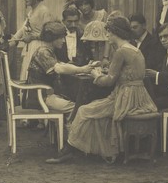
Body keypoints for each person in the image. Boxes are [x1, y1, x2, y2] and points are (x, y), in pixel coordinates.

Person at [46, 16, 158, 164]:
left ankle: (70, 150)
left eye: (109, 33)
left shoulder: (121, 52)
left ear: (115, 33)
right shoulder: (133, 49)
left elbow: (108, 81)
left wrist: (96, 75)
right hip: (139, 96)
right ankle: (80, 149)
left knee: (84, 110)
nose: (108, 36)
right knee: (95, 108)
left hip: (126, 98)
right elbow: (125, 74)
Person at [25, 20, 96, 115]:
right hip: (41, 97)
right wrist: (82, 69)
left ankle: (67, 128)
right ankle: (71, 129)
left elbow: (62, 65)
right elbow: (59, 68)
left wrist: (83, 67)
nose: (63, 41)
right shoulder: (43, 52)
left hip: (45, 95)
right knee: (80, 108)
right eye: (61, 38)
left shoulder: (47, 51)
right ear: (52, 38)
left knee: (77, 104)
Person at [10, 0, 55, 81]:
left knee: (35, 76)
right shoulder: (31, 12)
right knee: (26, 74)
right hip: (30, 47)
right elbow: (22, 29)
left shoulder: (44, 10)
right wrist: (11, 41)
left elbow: (49, 33)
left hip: (40, 48)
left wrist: (32, 37)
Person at [65, 0, 109, 65]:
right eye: (81, 5)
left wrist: (106, 57)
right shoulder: (78, 20)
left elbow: (109, 36)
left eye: (86, 4)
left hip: (104, 50)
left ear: (91, 4)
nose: (84, 7)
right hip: (89, 54)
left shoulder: (102, 15)